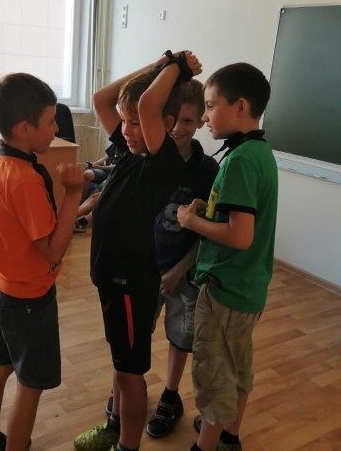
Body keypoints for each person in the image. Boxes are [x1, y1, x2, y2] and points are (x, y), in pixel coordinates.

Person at [74, 50, 202, 451]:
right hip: (112, 283)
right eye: (125, 121)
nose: (127, 130)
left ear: (166, 125)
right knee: (121, 367)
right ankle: (114, 429)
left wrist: (175, 66)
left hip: (130, 287)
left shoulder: (162, 164)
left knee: (130, 376)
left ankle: (126, 446)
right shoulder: (132, 154)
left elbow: (148, 105)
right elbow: (101, 99)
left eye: (135, 123)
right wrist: (155, 66)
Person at [102, 79, 220, 439]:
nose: (178, 129)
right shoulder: (144, 157)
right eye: (173, 119)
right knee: (132, 339)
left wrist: (178, 271)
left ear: (200, 121)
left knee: (179, 336)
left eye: (189, 121)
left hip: (182, 272)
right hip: (141, 272)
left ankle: (170, 394)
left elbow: (206, 233)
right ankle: (124, 391)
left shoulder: (207, 171)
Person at [0, 73, 84, 451]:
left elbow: (35, 228)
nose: (57, 129)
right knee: (30, 385)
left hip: (0, 289)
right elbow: (52, 250)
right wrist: (73, 194)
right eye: (51, 122)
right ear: (24, 129)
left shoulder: (1, 163)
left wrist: (81, 203)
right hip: (27, 301)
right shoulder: (25, 179)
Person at [176, 62, 277, 451]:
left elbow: (239, 236)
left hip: (225, 289)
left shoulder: (240, 161)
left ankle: (206, 444)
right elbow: (241, 218)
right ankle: (229, 435)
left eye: (210, 106)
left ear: (240, 106)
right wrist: (210, 211)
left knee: (214, 375)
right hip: (248, 288)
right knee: (237, 365)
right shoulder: (258, 152)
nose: (204, 117)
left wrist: (191, 221)